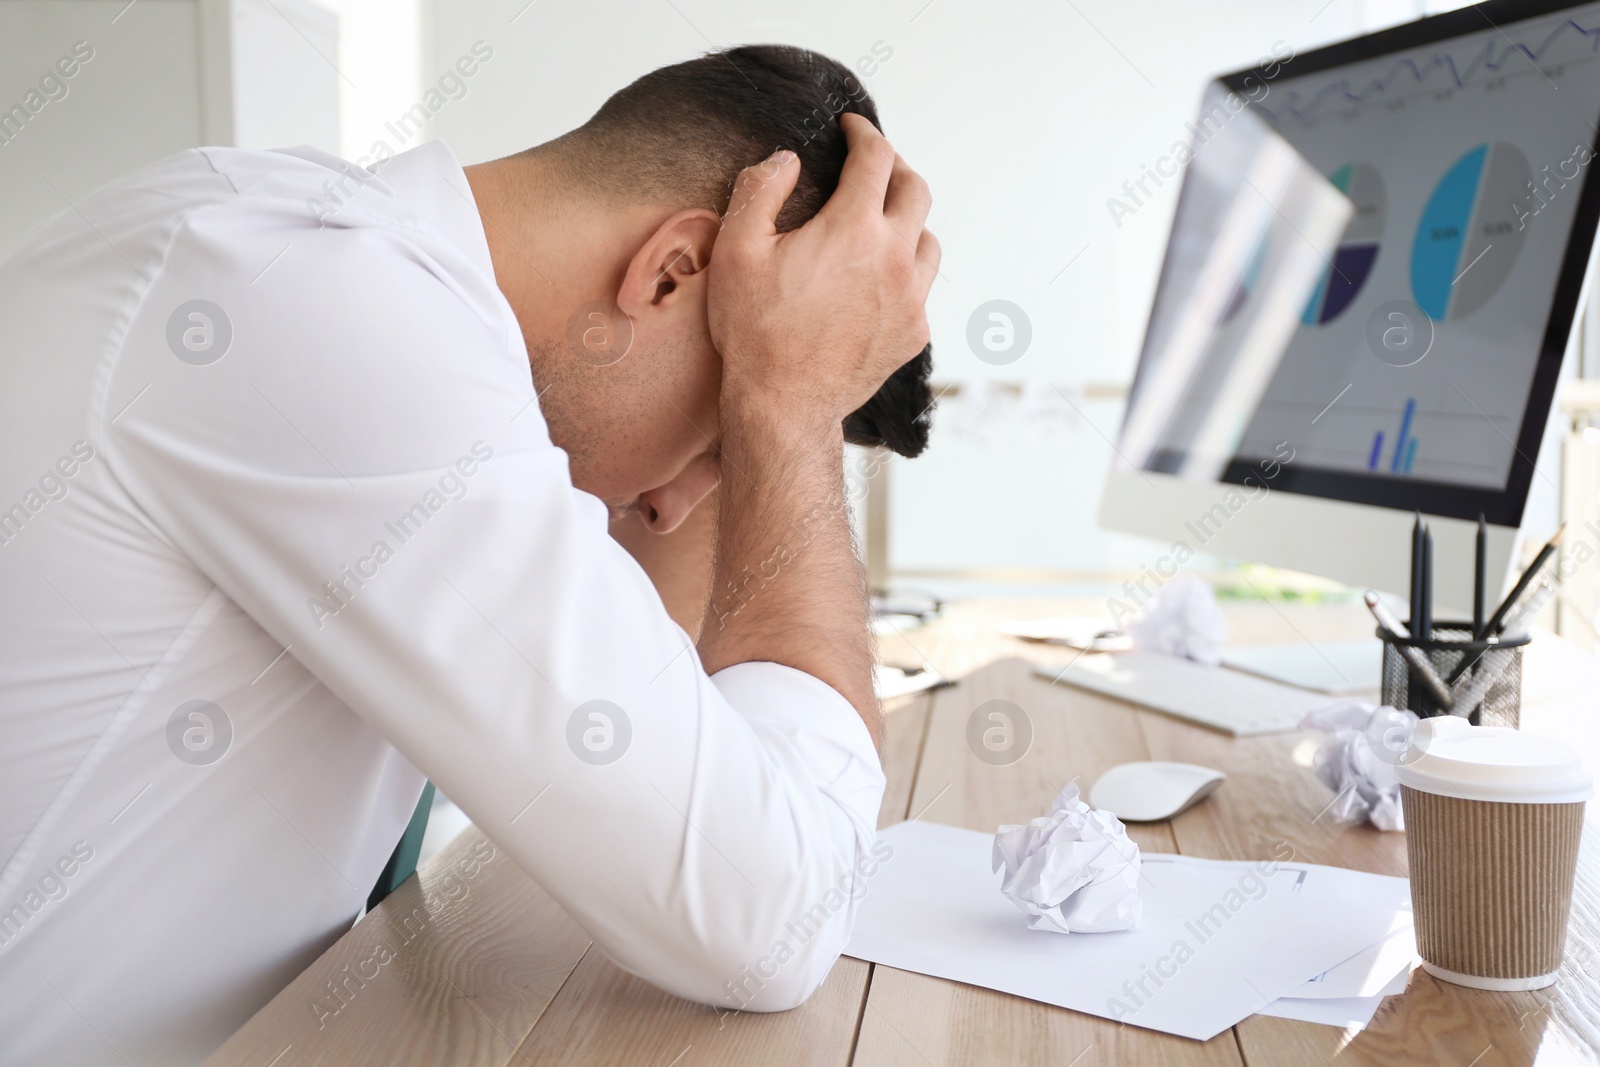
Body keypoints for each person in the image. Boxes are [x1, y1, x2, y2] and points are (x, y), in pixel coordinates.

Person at [0, 43, 938, 1064]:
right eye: (720, 445)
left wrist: (766, 387)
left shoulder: (325, 268)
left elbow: (672, 735)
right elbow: (770, 918)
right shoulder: (316, 301)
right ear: (673, 272)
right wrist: (785, 402)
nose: (674, 507)